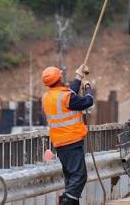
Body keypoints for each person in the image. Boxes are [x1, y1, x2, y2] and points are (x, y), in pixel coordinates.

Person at [41, 64, 95, 205]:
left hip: (60, 143)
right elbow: (88, 101)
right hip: (72, 141)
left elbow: (69, 94)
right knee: (79, 176)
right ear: (59, 79)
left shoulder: (48, 97)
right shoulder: (66, 97)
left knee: (71, 177)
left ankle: (70, 200)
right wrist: (88, 87)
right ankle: (66, 201)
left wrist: (78, 76)